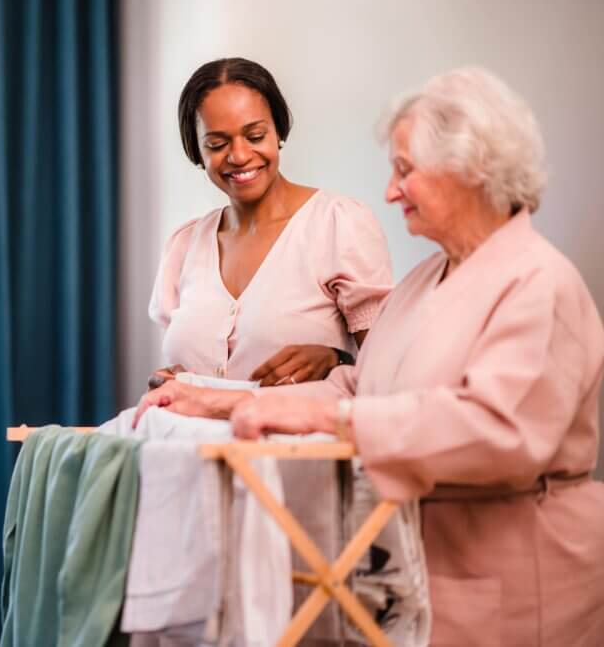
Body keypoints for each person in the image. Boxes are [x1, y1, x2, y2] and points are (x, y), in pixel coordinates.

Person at [136, 67, 604, 645]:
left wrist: (330, 418)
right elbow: (358, 387)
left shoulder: (539, 283)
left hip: (515, 581)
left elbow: (497, 432)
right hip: (418, 574)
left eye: (405, 170)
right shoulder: (427, 279)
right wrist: (213, 401)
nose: (390, 190)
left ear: (471, 172)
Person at [147, 58, 391, 390]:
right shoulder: (184, 245)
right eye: (217, 144)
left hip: (298, 441)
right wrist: (171, 382)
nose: (239, 155)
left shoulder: (337, 224)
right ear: (197, 151)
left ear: (278, 131)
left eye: (255, 135)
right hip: (194, 441)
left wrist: (337, 360)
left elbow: (389, 372)